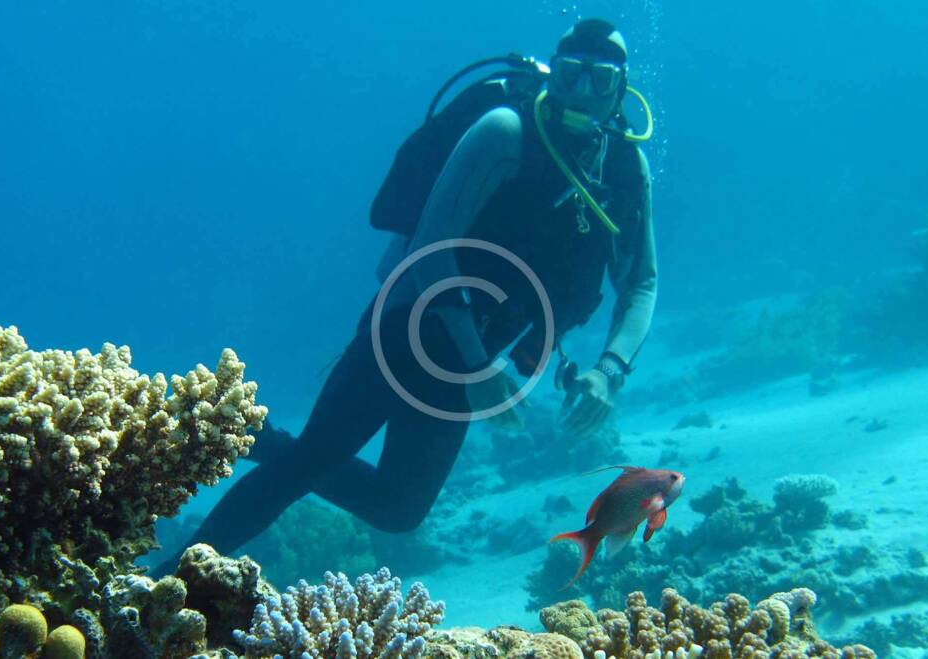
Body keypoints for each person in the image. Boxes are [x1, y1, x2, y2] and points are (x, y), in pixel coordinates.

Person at [152, 18, 656, 576]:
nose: (581, 92)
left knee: (398, 510)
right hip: (408, 324)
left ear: (622, 90)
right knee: (307, 466)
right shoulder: (505, 131)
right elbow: (430, 247)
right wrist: (479, 370)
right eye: (570, 74)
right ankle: (167, 580)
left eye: (599, 80)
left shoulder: (626, 169)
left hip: (468, 360)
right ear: (552, 73)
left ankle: (264, 441)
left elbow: (641, 283)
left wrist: (608, 371)